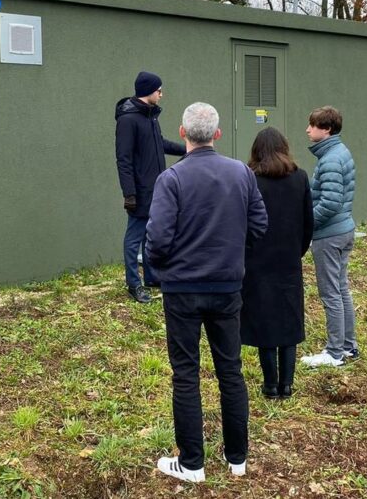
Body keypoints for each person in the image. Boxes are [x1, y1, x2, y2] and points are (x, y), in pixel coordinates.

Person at [145, 102, 267, 483]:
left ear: (182, 134)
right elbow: (259, 226)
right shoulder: (241, 174)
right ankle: (237, 459)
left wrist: (163, 270)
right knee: (230, 370)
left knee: (186, 374)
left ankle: (193, 463)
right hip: (227, 287)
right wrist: (232, 256)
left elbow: (157, 239)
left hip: (182, 290)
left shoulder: (172, 179)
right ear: (216, 134)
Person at [240, 127, 313, 399]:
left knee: (264, 322)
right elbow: (309, 223)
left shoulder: (250, 180)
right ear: (284, 147)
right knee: (289, 321)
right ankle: (287, 385)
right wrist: (296, 252)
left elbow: (244, 222)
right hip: (288, 261)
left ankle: (270, 385)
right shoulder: (300, 178)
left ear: (256, 150)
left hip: (257, 262)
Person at [114, 71, 185, 303]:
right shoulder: (128, 119)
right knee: (134, 237)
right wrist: (129, 194)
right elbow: (123, 159)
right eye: (159, 90)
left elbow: (159, 143)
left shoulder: (150, 116)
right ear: (149, 91)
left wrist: (187, 148)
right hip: (140, 191)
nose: (162, 94)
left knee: (150, 234)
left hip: (156, 188)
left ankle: (152, 277)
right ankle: (133, 284)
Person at [300, 106, 358, 368]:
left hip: (330, 235)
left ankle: (334, 353)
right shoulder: (337, 152)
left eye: (312, 125)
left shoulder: (331, 159)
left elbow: (331, 203)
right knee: (341, 289)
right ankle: (348, 347)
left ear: (326, 129)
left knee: (331, 293)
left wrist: (306, 221)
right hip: (343, 230)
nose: (308, 130)